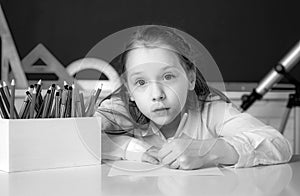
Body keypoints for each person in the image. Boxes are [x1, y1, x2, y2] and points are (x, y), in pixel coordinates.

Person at [96, 25, 292, 169]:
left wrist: (211, 150)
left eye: (168, 76)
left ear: (190, 78)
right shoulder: (119, 111)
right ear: (129, 90)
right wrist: (135, 150)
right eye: (141, 82)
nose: (157, 95)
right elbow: (77, 141)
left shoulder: (211, 111)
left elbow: (279, 144)